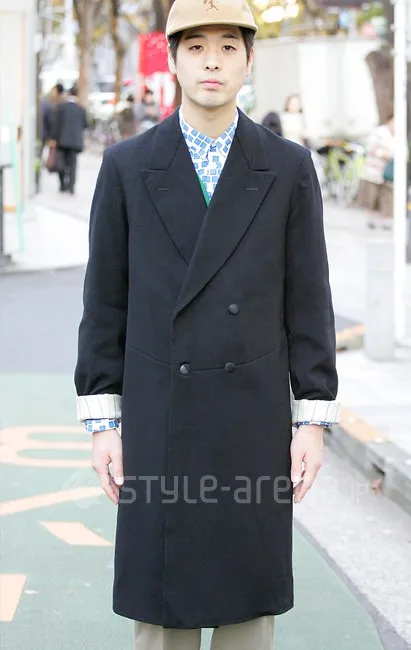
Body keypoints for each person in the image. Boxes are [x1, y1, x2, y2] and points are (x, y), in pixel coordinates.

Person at [74, 1, 340, 649]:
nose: (212, 61)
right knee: (163, 612)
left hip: (251, 416)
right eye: (195, 47)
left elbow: (308, 299)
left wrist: (311, 420)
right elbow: (105, 302)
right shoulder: (128, 165)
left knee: (246, 604)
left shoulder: (287, 166)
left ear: (249, 60)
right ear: (173, 60)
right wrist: (104, 424)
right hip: (159, 413)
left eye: (227, 46)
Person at [357, 115, 395, 229]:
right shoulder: (379, 132)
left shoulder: (399, 135)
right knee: (372, 195)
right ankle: (371, 218)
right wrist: (384, 154)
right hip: (374, 169)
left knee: (387, 195)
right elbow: (370, 148)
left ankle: (386, 220)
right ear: (389, 121)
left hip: (389, 171)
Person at [50, 84, 87, 194]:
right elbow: (85, 125)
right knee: (73, 164)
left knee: (61, 163)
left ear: (69, 94)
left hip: (62, 140)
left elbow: (56, 125)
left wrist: (53, 138)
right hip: (75, 142)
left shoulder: (61, 107)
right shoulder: (81, 109)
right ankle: (71, 186)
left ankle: (63, 185)